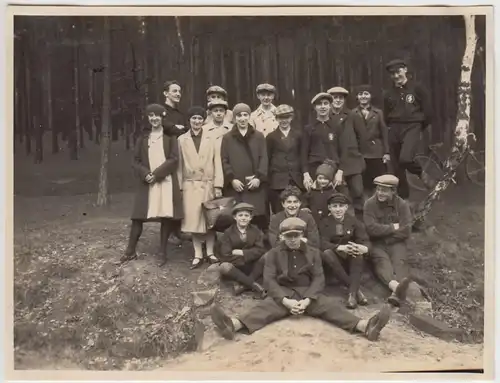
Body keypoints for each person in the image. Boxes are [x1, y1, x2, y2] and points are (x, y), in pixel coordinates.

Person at [210, 217, 392, 341]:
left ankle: (365, 326)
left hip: (308, 293)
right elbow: (270, 280)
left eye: (296, 235)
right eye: (288, 236)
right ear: (281, 236)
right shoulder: (273, 254)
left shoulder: (313, 253)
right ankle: (232, 325)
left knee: (330, 307)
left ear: (302, 236)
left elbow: (319, 279)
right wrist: (286, 301)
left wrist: (306, 301)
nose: (292, 239)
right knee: (265, 307)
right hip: (283, 293)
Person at [122, 104, 183, 266]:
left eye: (157, 116)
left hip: (165, 181)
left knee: (165, 216)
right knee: (138, 216)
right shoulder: (143, 139)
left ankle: (162, 252)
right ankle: (130, 251)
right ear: (148, 118)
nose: (154, 119)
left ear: (163, 118)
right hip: (147, 182)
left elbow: (174, 159)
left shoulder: (170, 139)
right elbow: (135, 161)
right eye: (151, 116)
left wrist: (156, 174)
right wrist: (145, 174)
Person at [177, 106, 223, 269]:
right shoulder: (182, 140)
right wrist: (180, 186)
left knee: (210, 220)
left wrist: (218, 184)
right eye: (193, 118)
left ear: (204, 120)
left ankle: (210, 252)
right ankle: (198, 254)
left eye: (199, 118)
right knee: (194, 220)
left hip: (208, 184)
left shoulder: (212, 137)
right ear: (189, 120)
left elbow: (217, 161)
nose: (196, 121)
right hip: (190, 185)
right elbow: (179, 165)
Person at [383, 59, 434, 200]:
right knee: (397, 167)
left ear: (405, 70)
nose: (396, 76)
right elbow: (386, 114)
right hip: (394, 128)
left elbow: (428, 112)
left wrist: (418, 127)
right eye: (392, 73)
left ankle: (422, 174)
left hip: (413, 126)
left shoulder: (417, 88)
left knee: (405, 159)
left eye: (398, 71)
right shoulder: (388, 93)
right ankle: (403, 201)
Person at [363, 174, 413, 307]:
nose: (380, 193)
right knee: (382, 263)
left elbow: (406, 230)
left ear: (393, 191)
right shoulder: (369, 204)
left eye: (384, 190)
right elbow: (371, 229)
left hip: (396, 243)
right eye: (378, 189)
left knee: (400, 264)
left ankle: (397, 293)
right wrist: (393, 228)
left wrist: (386, 233)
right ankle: (397, 289)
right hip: (377, 244)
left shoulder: (401, 205)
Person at [221, 103, 269, 233]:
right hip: (237, 185)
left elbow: (263, 158)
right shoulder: (227, 138)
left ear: (249, 116)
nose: (242, 118)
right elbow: (224, 160)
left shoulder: (258, 136)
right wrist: (232, 180)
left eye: (245, 115)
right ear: (234, 118)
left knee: (256, 216)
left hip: (254, 184)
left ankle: (257, 245)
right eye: (239, 115)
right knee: (238, 216)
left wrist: (258, 178)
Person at [320, 193, 370, 309]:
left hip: (350, 259)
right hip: (333, 260)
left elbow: (365, 240)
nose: (338, 210)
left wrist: (363, 248)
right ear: (329, 208)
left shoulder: (353, 222)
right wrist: (339, 247)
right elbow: (321, 242)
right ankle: (356, 291)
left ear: (346, 207)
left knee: (358, 253)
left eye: (341, 206)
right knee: (327, 253)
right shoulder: (324, 223)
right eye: (335, 206)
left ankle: (352, 295)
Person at [327, 86, 366, 220]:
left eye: (340, 98)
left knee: (358, 193)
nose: (337, 100)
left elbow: (362, 137)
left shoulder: (352, 116)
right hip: (335, 163)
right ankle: (343, 227)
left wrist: (357, 154)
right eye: (334, 97)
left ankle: (361, 226)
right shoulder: (327, 117)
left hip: (353, 162)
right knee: (340, 197)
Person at [217, 202, 267, 298]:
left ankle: (243, 285)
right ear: (235, 217)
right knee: (224, 267)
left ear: (250, 218)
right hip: (236, 266)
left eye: (246, 215)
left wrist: (242, 253)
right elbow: (226, 254)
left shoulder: (256, 231)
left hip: (252, 264)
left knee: (266, 257)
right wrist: (249, 255)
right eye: (240, 215)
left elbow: (260, 250)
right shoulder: (228, 232)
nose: (243, 218)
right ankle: (254, 285)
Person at [161, 80, 188, 245]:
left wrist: (177, 128)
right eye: (174, 91)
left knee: (178, 193)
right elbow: (168, 128)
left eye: (179, 91)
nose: (178, 94)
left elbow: (183, 130)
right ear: (166, 93)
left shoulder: (179, 114)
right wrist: (175, 128)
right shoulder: (161, 111)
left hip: (179, 156)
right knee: (167, 195)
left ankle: (176, 229)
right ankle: (168, 233)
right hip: (165, 157)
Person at [350, 85, 390, 195]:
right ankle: (366, 206)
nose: (363, 96)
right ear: (357, 97)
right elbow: (351, 133)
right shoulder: (353, 114)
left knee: (379, 180)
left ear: (370, 96)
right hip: (361, 153)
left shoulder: (378, 113)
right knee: (364, 182)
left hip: (376, 152)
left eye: (366, 94)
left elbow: (384, 133)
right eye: (361, 94)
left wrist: (386, 152)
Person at [266, 104, 303, 214]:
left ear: (291, 118)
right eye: (281, 118)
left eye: (286, 117)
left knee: (297, 210)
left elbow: (302, 155)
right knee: (279, 211)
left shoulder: (298, 135)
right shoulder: (271, 137)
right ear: (276, 119)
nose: (284, 120)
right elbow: (267, 158)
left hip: (296, 179)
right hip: (278, 181)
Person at [301, 92, 338, 191]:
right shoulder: (309, 128)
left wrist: (340, 172)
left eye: (326, 103)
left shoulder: (337, 126)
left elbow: (343, 150)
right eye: (319, 104)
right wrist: (306, 174)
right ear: (315, 107)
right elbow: (304, 153)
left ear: (330, 106)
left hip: (333, 168)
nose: (323, 107)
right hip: (314, 169)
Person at [304, 160, 338, 225]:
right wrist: (305, 209)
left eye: (325, 179)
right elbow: (305, 202)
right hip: (313, 220)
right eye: (320, 178)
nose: (322, 181)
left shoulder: (333, 192)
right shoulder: (311, 191)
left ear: (330, 179)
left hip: (328, 221)